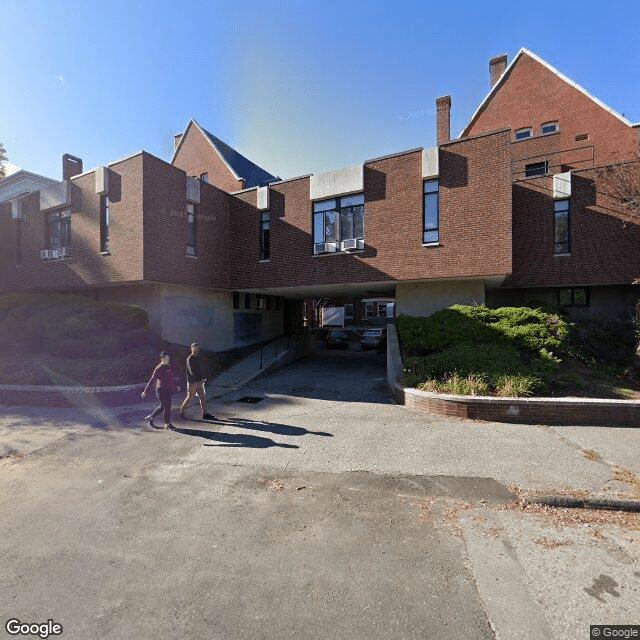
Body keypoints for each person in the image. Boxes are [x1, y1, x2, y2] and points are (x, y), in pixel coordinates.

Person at [142, 351, 179, 430]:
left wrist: (176, 385)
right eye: (166, 358)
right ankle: (167, 424)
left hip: (167, 390)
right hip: (160, 391)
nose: (168, 360)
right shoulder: (159, 368)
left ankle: (151, 417)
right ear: (162, 358)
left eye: (168, 358)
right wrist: (145, 391)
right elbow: (152, 380)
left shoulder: (168, 366)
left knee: (162, 406)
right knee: (167, 407)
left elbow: (171, 378)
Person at [179, 342, 215, 420]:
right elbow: (192, 372)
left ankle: (205, 414)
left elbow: (199, 370)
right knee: (189, 398)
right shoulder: (190, 358)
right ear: (191, 349)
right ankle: (181, 411)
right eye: (194, 348)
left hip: (199, 382)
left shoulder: (197, 358)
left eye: (197, 348)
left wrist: (202, 379)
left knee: (202, 397)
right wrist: (200, 379)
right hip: (192, 383)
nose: (196, 349)